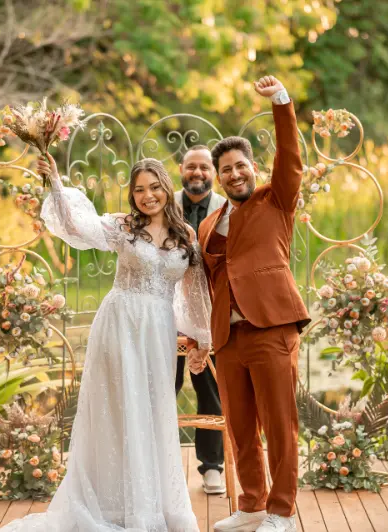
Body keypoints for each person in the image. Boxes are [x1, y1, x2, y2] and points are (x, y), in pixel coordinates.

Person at [0, 155, 212, 532]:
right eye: (139, 190)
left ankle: (153, 504)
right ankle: (114, 505)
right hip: (120, 324)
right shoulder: (124, 227)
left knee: (152, 408)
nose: (148, 196)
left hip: (158, 331)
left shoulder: (186, 237)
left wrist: (202, 341)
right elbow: (74, 226)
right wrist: (56, 183)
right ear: (132, 195)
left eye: (155, 187)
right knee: (119, 408)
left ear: (166, 187)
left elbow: (192, 295)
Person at [190, 76, 310, 532]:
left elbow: (291, 158)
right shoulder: (208, 225)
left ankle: (281, 512)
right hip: (229, 337)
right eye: (226, 170)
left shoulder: (276, 199)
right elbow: (205, 286)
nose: (235, 174)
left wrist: (280, 102)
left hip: (272, 327)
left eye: (241, 166)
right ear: (218, 179)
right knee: (240, 429)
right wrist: (202, 339)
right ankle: (252, 505)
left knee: (279, 426)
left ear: (252, 168)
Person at [174, 145, 227, 495]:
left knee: (211, 390)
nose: (198, 173)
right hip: (166, 311)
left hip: (210, 313)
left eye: (204, 167)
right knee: (162, 387)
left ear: (214, 172)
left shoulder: (227, 207)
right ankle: (159, 467)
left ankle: (212, 468)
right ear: (181, 169)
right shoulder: (164, 203)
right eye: (191, 167)